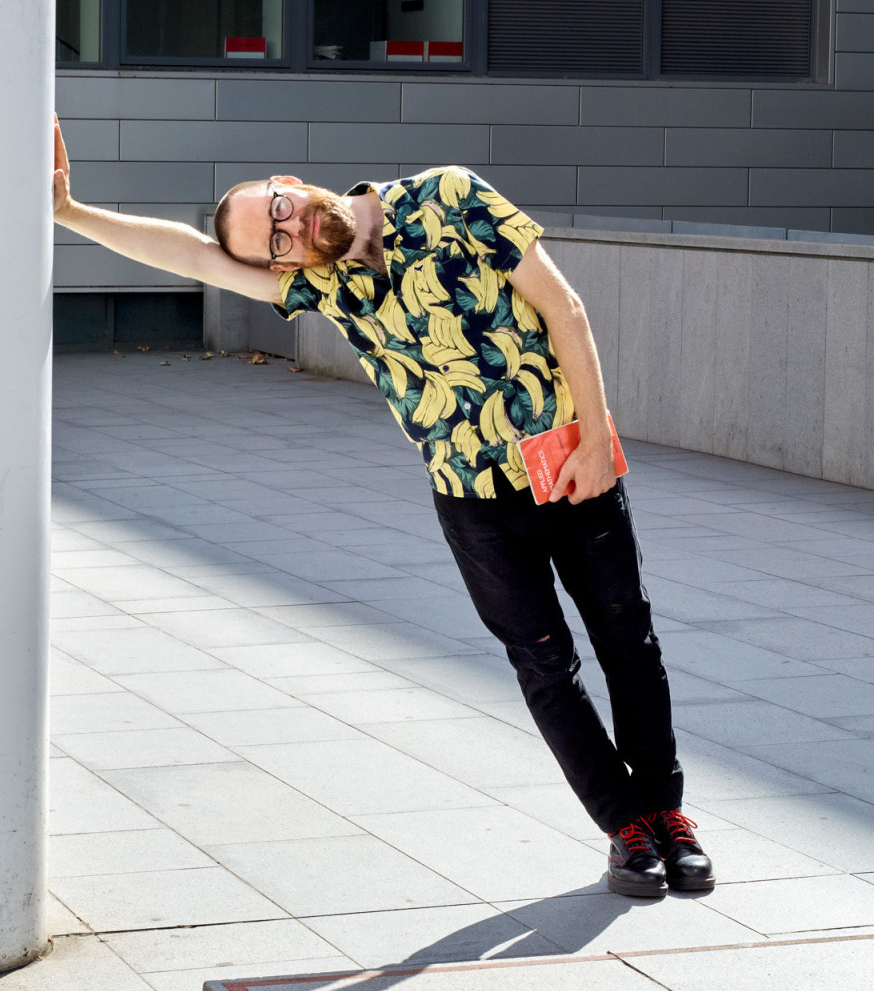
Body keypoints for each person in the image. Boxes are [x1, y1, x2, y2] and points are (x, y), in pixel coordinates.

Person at [51, 120, 712, 898]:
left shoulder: (452, 194)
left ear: (288, 181)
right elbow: (189, 253)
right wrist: (69, 212)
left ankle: (669, 814)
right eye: (274, 245)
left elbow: (564, 310)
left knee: (627, 640)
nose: (288, 231)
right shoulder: (324, 283)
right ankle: (625, 827)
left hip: (570, 462)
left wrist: (598, 441)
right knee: (543, 663)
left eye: (279, 211)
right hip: (472, 498)